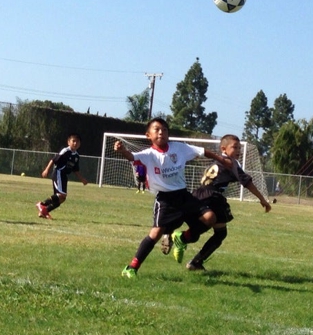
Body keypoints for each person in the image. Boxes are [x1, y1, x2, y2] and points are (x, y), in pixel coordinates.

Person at [114, 117, 232, 278]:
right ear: (148, 135)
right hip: (165, 200)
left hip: (183, 195)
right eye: (157, 129)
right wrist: (122, 151)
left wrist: (221, 159)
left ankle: (182, 238)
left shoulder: (179, 148)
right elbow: (132, 157)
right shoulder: (149, 154)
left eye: (164, 129)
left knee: (210, 217)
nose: (161, 132)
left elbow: (202, 151)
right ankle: (131, 267)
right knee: (155, 234)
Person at [168, 134, 271, 270]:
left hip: (199, 194)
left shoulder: (219, 161)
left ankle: (192, 256)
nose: (238, 150)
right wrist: (262, 199)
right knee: (216, 231)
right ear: (223, 148)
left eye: (239, 148)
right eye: (234, 147)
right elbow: (247, 182)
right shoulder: (230, 163)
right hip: (211, 197)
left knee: (216, 232)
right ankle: (183, 241)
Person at [35, 133, 88, 219]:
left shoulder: (77, 156)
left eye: (77, 142)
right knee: (61, 195)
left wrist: (82, 179)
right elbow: (53, 160)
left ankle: (44, 211)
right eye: (73, 141)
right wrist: (47, 169)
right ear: (68, 142)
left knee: (61, 199)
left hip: (64, 176)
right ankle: (41, 204)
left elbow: (75, 169)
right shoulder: (65, 151)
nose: (75, 143)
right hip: (58, 173)